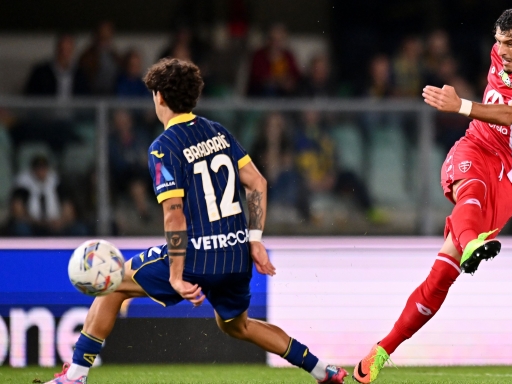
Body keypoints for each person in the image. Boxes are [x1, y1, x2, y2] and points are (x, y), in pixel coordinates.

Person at [46, 58, 348, 384]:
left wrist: (176, 275)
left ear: (160, 97)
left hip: (196, 256)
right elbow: (257, 182)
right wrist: (255, 239)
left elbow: (174, 215)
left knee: (113, 283)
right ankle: (323, 371)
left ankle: (75, 376)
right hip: (235, 256)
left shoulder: (163, 147)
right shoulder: (218, 132)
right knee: (238, 325)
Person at [353, 8, 512, 383]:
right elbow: (493, 116)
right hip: (474, 149)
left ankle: (381, 350)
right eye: (499, 41)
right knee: (471, 189)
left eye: (511, 44)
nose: (502, 50)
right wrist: (464, 111)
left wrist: (462, 105)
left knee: (441, 276)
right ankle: (471, 243)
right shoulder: (500, 55)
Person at [24, 34, 90, 98]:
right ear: (57, 49)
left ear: (73, 50)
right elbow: (31, 96)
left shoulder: (81, 74)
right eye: (62, 49)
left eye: (68, 50)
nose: (64, 54)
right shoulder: (41, 73)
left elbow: (85, 97)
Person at [247, 23, 301, 97]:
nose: (275, 43)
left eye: (279, 40)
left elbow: (295, 75)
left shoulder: (288, 56)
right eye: (273, 39)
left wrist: (289, 82)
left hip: (285, 93)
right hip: (263, 94)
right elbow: (258, 77)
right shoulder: (259, 56)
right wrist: (278, 81)